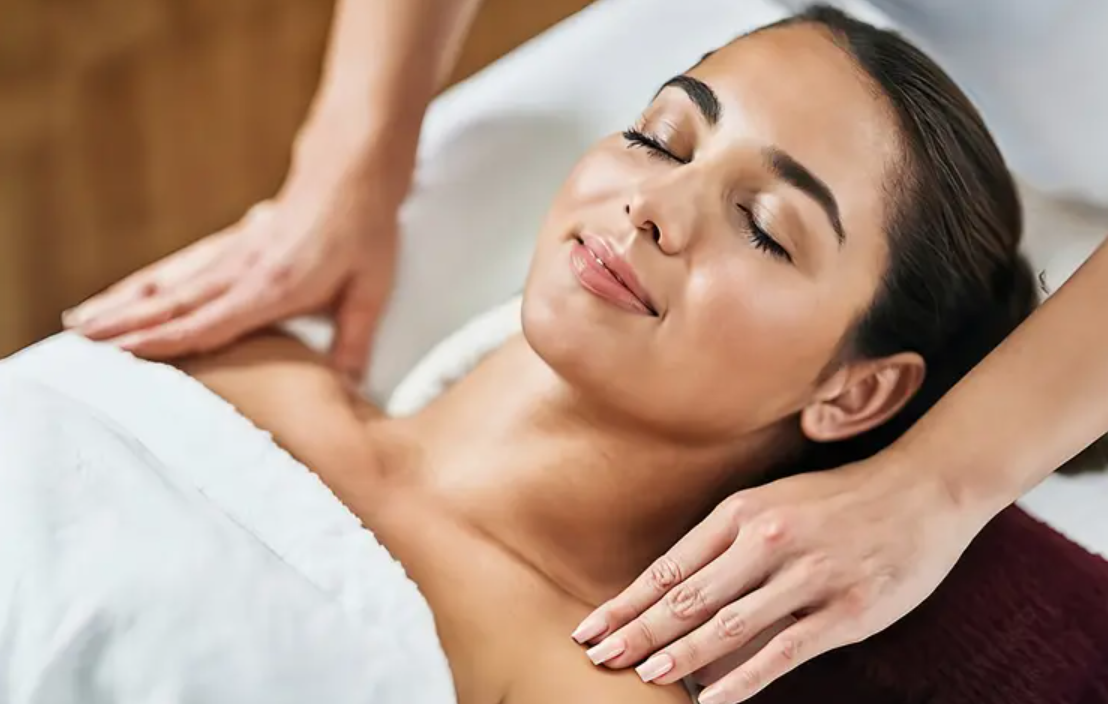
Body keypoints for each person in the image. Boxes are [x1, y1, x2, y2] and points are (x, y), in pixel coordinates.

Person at [60, 2, 1108, 703]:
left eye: (764, 224)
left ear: (859, 389)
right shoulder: (212, 348)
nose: (654, 204)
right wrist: (340, 173)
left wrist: (938, 483)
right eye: (659, 135)